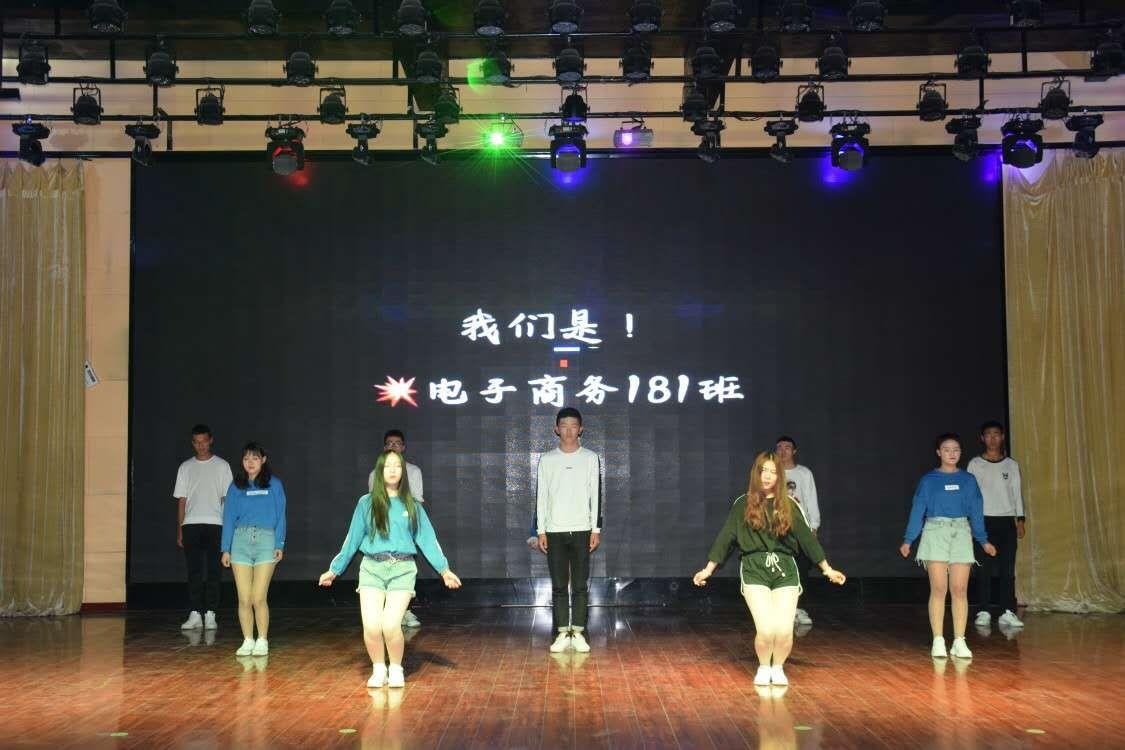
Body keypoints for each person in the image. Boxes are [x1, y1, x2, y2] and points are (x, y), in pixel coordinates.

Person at [694, 451, 846, 686]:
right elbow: (726, 537)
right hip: (754, 569)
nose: (767, 476)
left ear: (779, 476)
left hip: (785, 570)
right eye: (763, 470)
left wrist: (827, 569)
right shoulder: (742, 504)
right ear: (756, 473)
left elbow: (807, 539)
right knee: (766, 629)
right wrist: (708, 569)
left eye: (773, 472)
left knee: (783, 631)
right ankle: (764, 666)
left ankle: (778, 667)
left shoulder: (790, 505)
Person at [320, 450, 461, 688]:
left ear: (403, 472)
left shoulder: (412, 504)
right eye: (387, 466)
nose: (393, 470)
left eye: (397, 466)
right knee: (372, 626)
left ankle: (396, 668)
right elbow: (352, 539)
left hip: (402, 570)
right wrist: (334, 570)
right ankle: (378, 668)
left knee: (390, 625)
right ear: (379, 472)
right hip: (371, 569)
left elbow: (428, 539)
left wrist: (444, 570)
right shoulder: (366, 503)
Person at [901, 433, 997, 659]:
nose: (952, 453)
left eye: (956, 449)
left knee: (960, 589)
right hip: (935, 531)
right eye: (947, 449)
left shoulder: (968, 480)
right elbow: (918, 509)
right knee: (938, 588)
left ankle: (959, 641)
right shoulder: (928, 480)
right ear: (939, 453)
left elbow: (976, 510)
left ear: (960, 453)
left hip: (961, 532)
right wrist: (909, 539)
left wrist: (983, 540)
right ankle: (938, 639)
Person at [536, 407, 602, 654]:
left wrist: (595, 529)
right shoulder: (547, 460)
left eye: (573, 426)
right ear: (556, 429)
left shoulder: (590, 458)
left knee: (580, 585)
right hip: (554, 530)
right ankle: (563, 632)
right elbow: (542, 497)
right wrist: (541, 530)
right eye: (564, 426)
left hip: (583, 529)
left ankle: (579, 632)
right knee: (559, 585)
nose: (569, 431)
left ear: (581, 429)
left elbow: (596, 495)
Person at [221, 442, 286, 656]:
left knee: (258, 597)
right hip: (240, 541)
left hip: (266, 541)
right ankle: (248, 639)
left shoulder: (274, 484)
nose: (250, 462)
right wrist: (226, 548)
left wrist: (279, 543)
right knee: (244, 598)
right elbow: (228, 518)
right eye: (246, 458)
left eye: (255, 458)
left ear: (263, 460)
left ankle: (262, 639)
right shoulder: (235, 486)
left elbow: (281, 515)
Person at [173, 424, 233, 631]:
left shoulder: (222, 466)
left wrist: (228, 529)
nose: (201, 445)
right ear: (192, 443)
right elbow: (182, 500)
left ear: (211, 440)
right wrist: (180, 529)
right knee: (194, 571)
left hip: (216, 524)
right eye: (197, 442)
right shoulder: (185, 467)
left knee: (214, 570)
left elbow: (227, 499)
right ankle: (195, 612)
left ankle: (211, 613)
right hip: (191, 525)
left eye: (204, 441)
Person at [968, 421, 1026, 629]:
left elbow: (1017, 493)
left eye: (996, 434)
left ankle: (1007, 611)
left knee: (1007, 569)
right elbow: (970, 495)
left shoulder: (1011, 465)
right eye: (988, 435)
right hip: (982, 521)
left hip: (1006, 522)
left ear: (1002, 437)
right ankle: (983, 610)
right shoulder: (975, 464)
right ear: (982, 438)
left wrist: (1020, 520)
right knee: (983, 569)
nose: (992, 439)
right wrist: (971, 522)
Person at [374, 430, 425, 628]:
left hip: (404, 528)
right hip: (383, 532)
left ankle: (405, 610)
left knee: (404, 571)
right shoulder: (374, 474)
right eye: (389, 443)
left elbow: (417, 501)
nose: (393, 446)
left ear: (403, 447)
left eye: (397, 443)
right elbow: (372, 504)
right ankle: (391, 612)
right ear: (384, 447)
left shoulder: (413, 471)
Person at [775, 436, 821, 626]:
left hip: (800, 530)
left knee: (801, 570)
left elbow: (811, 499)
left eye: (787, 447)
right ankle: (779, 610)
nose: (783, 451)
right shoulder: (771, 472)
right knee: (778, 569)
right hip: (777, 529)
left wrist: (814, 526)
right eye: (779, 447)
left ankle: (798, 609)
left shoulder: (804, 473)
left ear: (794, 451)